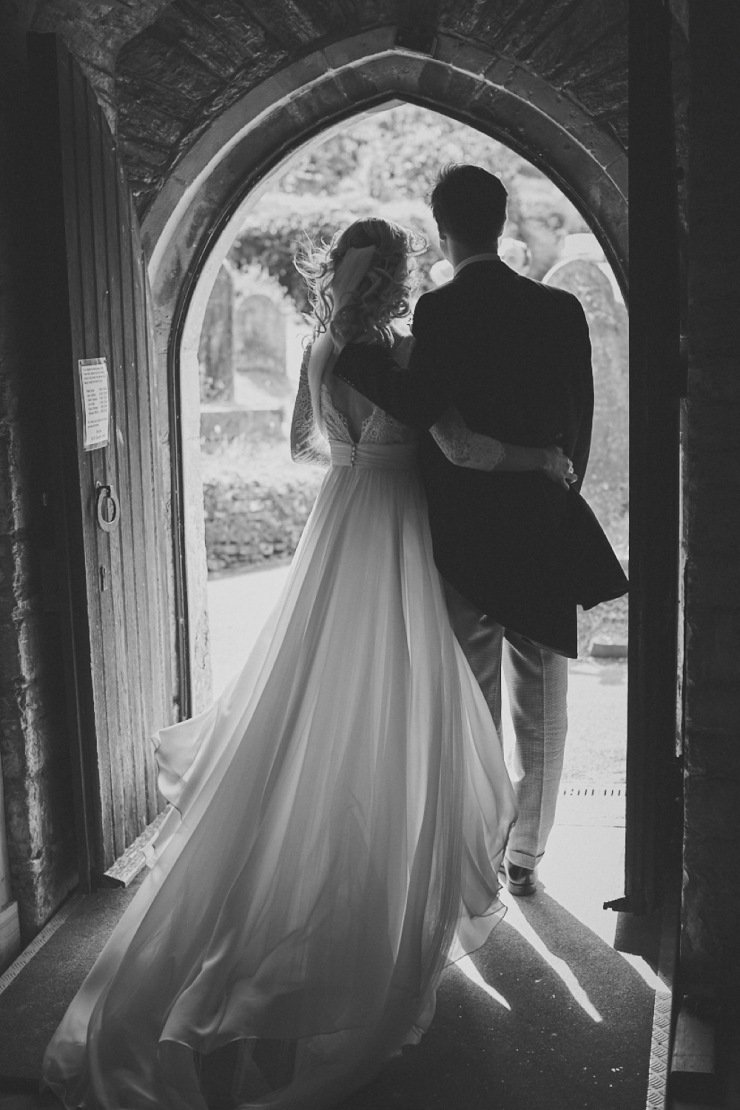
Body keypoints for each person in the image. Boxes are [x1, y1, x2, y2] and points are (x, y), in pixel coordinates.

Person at [42, 217, 575, 1110]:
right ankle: (384, 881)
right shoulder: (400, 358)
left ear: (341, 275)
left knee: (314, 693)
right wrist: (543, 459)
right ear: (397, 278)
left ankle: (309, 852)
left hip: (340, 520)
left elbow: (299, 444)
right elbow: (461, 448)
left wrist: (352, 450)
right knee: (405, 697)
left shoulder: (324, 346)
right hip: (399, 530)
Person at [333, 168, 629, 898]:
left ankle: (482, 854)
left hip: (465, 538)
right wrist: (558, 491)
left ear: (443, 230)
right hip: (541, 523)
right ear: (504, 221)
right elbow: (580, 420)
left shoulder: (441, 311)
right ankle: (527, 855)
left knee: (476, 706)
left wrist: (354, 350)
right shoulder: (561, 310)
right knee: (548, 704)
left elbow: (423, 408)